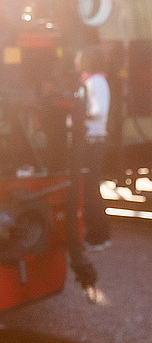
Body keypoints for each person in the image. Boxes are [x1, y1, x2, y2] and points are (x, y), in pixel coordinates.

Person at [74, 45, 111, 250]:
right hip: (91, 139)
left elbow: (99, 110)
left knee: (90, 188)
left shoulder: (96, 81)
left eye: (79, 57)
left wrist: (80, 114)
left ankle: (98, 236)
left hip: (92, 140)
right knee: (89, 187)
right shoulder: (92, 81)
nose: (76, 60)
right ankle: (98, 234)